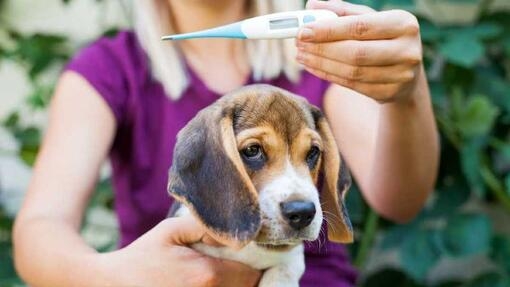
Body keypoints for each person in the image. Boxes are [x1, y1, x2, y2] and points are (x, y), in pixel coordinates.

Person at [13, 0, 439, 286]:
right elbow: (40, 228)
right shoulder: (109, 69)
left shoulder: (321, 54)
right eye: (254, 151)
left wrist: (406, 94)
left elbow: (399, 200)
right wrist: (113, 277)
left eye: (310, 155)